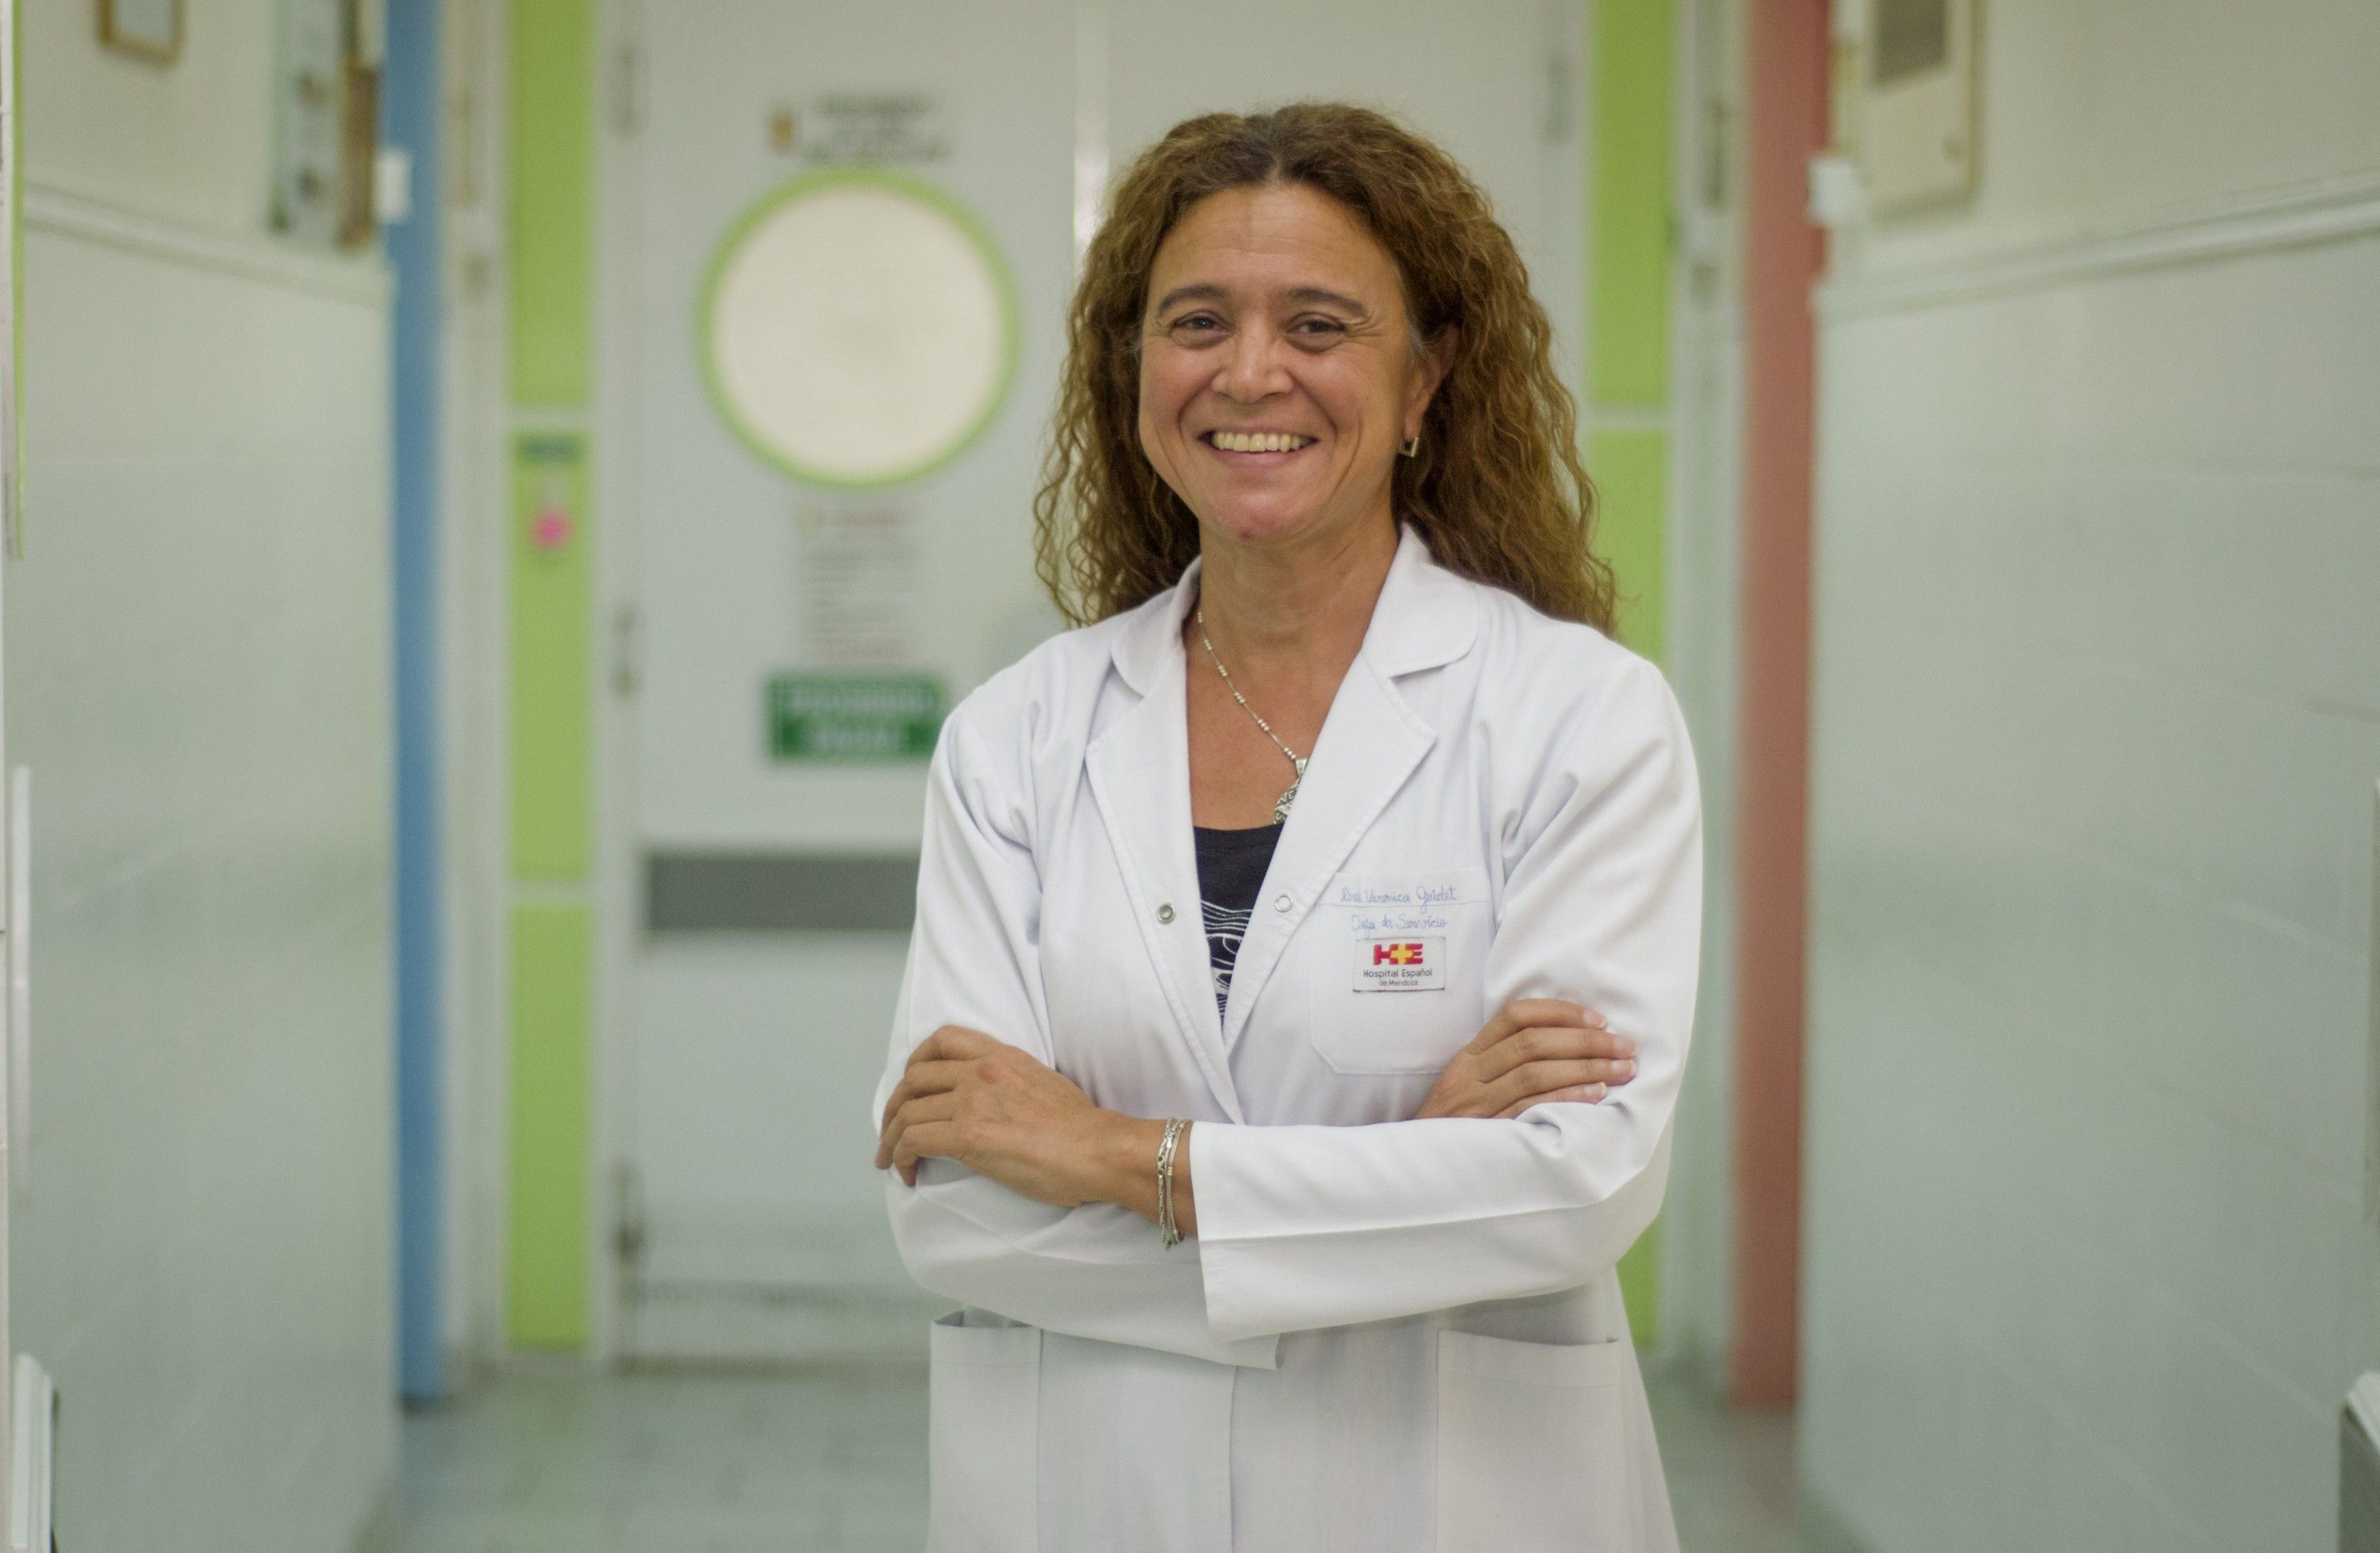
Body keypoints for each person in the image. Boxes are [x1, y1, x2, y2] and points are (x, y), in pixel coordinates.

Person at [872, 102, 1700, 1552]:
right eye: (1197, 321)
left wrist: (1117, 1155)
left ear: (1425, 376)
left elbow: (1572, 1187)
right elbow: (952, 1206)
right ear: (1134, 371)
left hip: (1454, 1501)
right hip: (1101, 1497)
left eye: (1319, 324)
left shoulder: (1578, 719)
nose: (1251, 371)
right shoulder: (1017, 741)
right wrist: (1405, 1185)